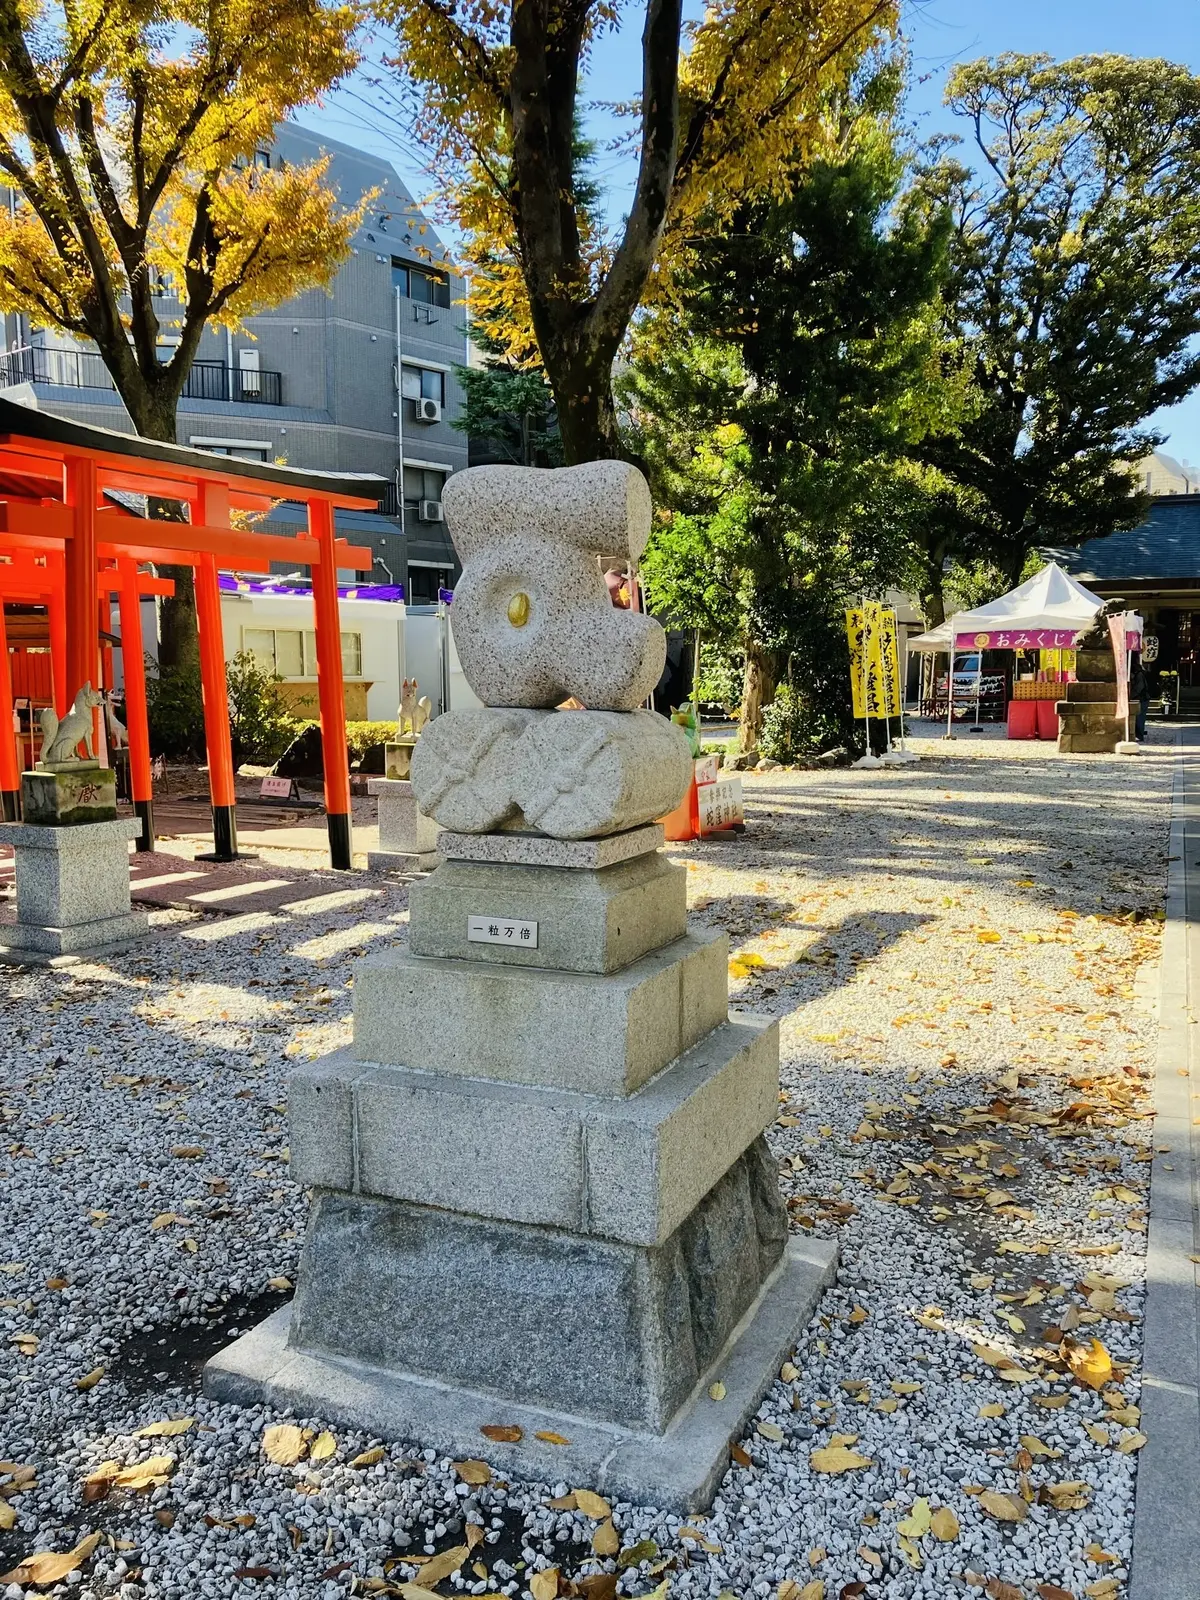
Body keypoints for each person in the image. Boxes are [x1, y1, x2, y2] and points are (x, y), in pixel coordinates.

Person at [1128, 651, 1151, 741]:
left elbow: (1139, 687)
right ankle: (1137, 734)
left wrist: (1131, 695)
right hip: (1139, 698)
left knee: (1140, 718)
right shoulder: (1137, 672)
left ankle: (1140, 735)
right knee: (1138, 718)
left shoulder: (1139, 674)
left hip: (1142, 698)